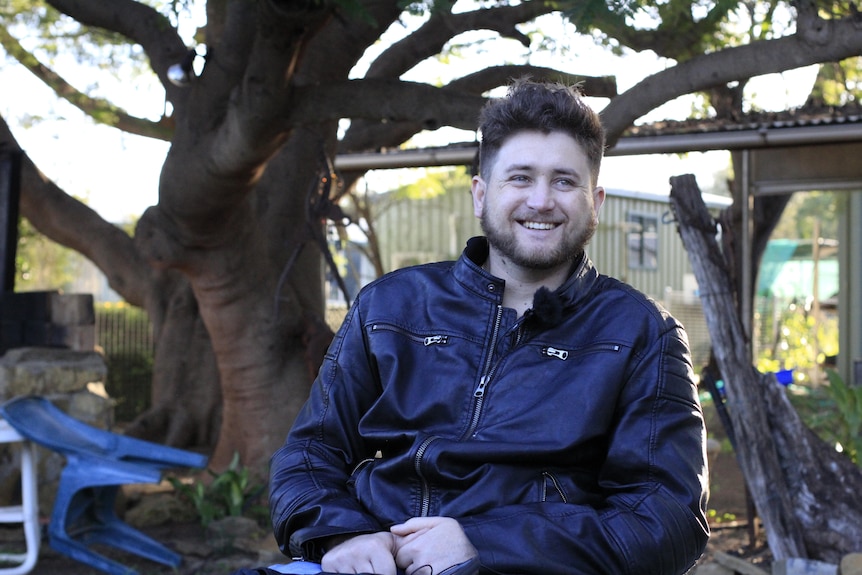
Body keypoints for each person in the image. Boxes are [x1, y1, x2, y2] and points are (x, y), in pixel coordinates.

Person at [268, 79, 710, 575]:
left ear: (596, 202)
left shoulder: (641, 334)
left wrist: (482, 546)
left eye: (565, 181)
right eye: (520, 178)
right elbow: (309, 453)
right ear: (480, 194)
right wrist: (339, 534)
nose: (542, 201)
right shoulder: (389, 307)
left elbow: (666, 520)